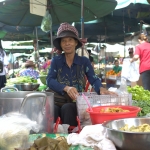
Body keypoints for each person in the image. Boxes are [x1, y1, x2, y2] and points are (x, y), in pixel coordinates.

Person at [46, 22, 116, 126]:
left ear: (75, 43)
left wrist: (101, 88)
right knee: (53, 109)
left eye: (70, 40)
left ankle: (70, 138)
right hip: (58, 99)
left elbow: (93, 78)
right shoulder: (56, 61)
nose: (67, 43)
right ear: (60, 44)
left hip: (75, 102)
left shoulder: (83, 61)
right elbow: (49, 80)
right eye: (64, 41)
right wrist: (66, 88)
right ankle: (54, 138)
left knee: (68, 108)